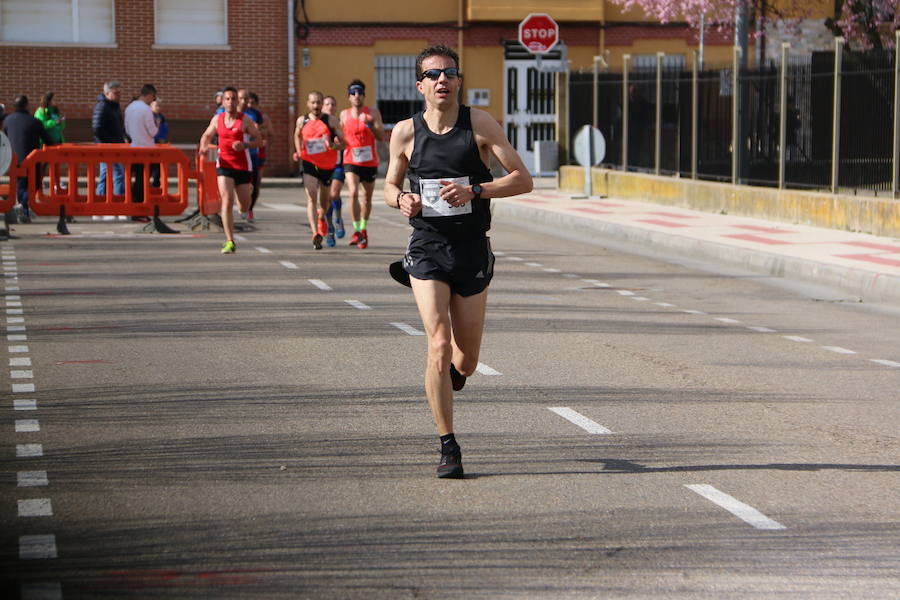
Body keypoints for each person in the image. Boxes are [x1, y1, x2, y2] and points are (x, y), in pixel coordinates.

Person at [383, 45, 532, 478]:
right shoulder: (405, 132)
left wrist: (477, 191)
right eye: (433, 74)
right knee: (438, 342)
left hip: (470, 249)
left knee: (464, 361)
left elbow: (523, 179)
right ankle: (448, 444)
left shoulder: (480, 124)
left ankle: (454, 376)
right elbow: (390, 187)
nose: (442, 80)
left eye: (449, 73)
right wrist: (403, 199)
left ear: (459, 80)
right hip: (427, 245)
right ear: (420, 85)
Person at [199, 86, 263, 254]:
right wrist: (203, 147)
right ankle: (230, 241)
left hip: (242, 166)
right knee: (226, 201)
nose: (231, 102)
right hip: (224, 164)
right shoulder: (217, 119)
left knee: (244, 205)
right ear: (223, 101)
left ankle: (245, 203)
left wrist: (245, 145)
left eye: (234, 99)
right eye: (227, 99)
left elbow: (259, 140)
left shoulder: (245, 120)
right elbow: (206, 135)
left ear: (238, 101)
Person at [293, 91, 344, 250]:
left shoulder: (331, 120)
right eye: (313, 103)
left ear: (322, 104)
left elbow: (343, 144)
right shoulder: (302, 120)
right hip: (308, 162)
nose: (316, 106)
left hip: (327, 166)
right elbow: (296, 135)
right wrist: (299, 151)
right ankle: (315, 233)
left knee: (324, 202)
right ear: (308, 104)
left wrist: (333, 145)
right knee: (311, 198)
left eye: (318, 103)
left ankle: (322, 219)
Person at [340, 80, 384, 249]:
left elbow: (381, 136)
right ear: (349, 97)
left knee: (367, 198)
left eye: (359, 93)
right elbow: (340, 138)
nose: (357, 96)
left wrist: (371, 124)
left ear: (364, 95)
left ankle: (363, 229)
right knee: (352, 193)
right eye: (353, 93)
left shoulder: (372, 112)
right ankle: (356, 229)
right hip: (351, 160)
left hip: (369, 161)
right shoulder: (344, 115)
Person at [3, 95, 53, 222]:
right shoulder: (34, 121)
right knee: (33, 185)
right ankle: (22, 207)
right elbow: (48, 140)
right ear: (26, 105)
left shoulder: (7, 121)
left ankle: (23, 211)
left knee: (20, 186)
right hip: (31, 159)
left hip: (14, 159)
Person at [124, 84, 158, 215]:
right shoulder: (146, 109)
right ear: (149, 95)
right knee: (143, 179)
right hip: (147, 149)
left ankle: (132, 203)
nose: (153, 100)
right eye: (153, 97)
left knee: (133, 177)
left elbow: (126, 129)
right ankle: (140, 207)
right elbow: (153, 131)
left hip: (133, 147)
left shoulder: (129, 108)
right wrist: (157, 127)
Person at [236, 89, 267, 222]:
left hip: (251, 154)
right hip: (233, 155)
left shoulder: (254, 114)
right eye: (241, 98)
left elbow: (263, 131)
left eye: (246, 99)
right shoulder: (226, 113)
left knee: (253, 184)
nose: (244, 102)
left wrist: (257, 130)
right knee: (231, 183)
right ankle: (235, 207)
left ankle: (249, 209)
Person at [92, 81, 126, 197]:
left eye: (119, 92)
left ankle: (100, 203)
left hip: (113, 146)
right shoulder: (103, 106)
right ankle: (120, 204)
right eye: (116, 92)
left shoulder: (114, 107)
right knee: (118, 175)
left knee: (106, 174)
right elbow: (97, 128)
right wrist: (111, 141)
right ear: (107, 93)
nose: (119, 94)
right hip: (107, 147)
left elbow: (119, 126)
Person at [322, 94, 346, 247]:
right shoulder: (317, 125)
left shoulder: (340, 125)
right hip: (321, 166)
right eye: (327, 104)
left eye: (333, 104)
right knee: (325, 200)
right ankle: (329, 227)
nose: (330, 107)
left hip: (338, 165)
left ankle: (338, 218)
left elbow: (346, 144)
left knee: (334, 194)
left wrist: (336, 145)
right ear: (323, 107)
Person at [33, 92, 66, 193]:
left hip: (57, 142)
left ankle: (56, 183)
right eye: (54, 99)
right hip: (45, 142)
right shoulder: (41, 111)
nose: (56, 101)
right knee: (43, 165)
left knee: (56, 164)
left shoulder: (55, 111)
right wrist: (54, 122)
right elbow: (41, 125)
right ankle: (39, 184)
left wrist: (61, 123)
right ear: (49, 100)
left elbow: (60, 127)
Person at [150, 98, 168, 187]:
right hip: (151, 144)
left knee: (158, 167)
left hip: (160, 144)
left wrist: (163, 139)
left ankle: (156, 184)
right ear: (151, 107)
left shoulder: (162, 118)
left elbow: (164, 129)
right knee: (149, 166)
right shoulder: (149, 117)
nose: (158, 108)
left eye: (160, 106)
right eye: (156, 105)